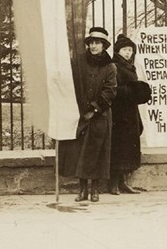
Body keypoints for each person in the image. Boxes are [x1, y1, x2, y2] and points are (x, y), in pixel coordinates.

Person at [58, 27, 117, 202]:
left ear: (104, 45)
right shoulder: (78, 62)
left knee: (97, 152)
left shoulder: (110, 66)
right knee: (80, 153)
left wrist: (96, 108)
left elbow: (110, 91)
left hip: (100, 115)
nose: (93, 46)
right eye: (91, 42)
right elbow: (70, 82)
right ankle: (82, 189)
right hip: (80, 115)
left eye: (97, 43)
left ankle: (95, 189)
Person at [109, 34, 151, 195]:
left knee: (128, 147)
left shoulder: (129, 66)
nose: (128, 53)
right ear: (118, 50)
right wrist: (132, 90)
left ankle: (123, 182)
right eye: (125, 50)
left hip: (130, 112)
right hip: (118, 113)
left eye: (130, 50)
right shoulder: (114, 66)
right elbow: (114, 89)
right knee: (118, 148)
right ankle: (113, 183)